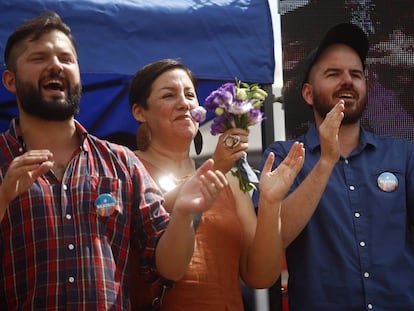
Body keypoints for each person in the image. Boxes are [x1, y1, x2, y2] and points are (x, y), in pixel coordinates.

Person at [0, 12, 229, 310]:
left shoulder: (121, 162)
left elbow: (170, 268)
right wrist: (3, 197)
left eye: (66, 59)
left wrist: (183, 216)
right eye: (39, 58)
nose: (56, 65)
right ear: (10, 80)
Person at [255, 22, 414, 311]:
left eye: (356, 74)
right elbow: (272, 244)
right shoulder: (282, 157)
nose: (347, 81)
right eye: (333, 74)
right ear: (307, 93)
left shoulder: (403, 154)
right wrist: (326, 161)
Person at [128, 58, 305, 310]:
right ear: (139, 111)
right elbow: (148, 224)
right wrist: (218, 164)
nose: (184, 103)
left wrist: (270, 203)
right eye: (169, 95)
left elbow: (260, 276)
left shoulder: (232, 179)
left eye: (190, 95)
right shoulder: (128, 166)